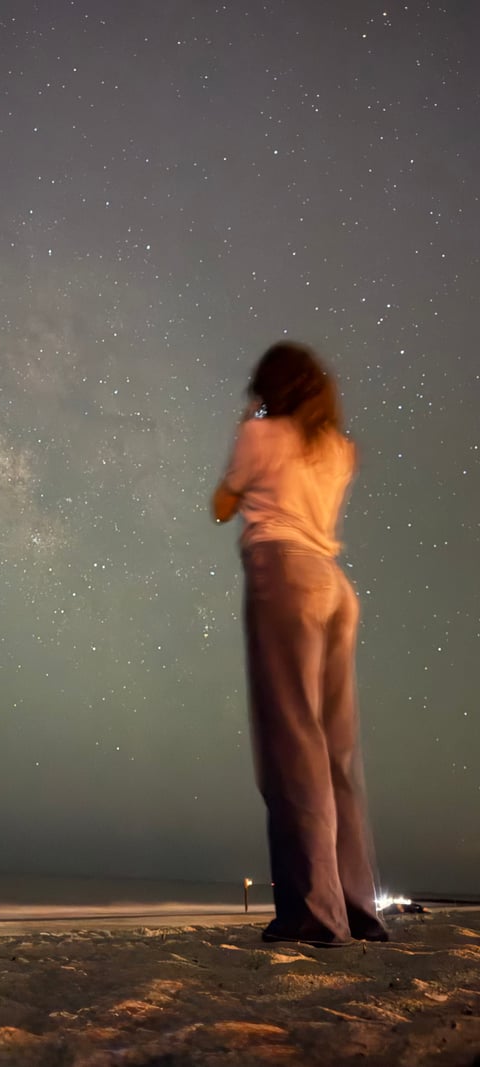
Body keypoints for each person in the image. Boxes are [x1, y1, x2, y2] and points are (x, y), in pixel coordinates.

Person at [212, 341, 388, 946]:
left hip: (283, 574)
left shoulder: (262, 437)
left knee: (293, 748)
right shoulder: (337, 449)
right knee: (338, 756)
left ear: (269, 388)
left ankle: (313, 914)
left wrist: (247, 427)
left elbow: (220, 506)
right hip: (335, 588)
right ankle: (358, 909)